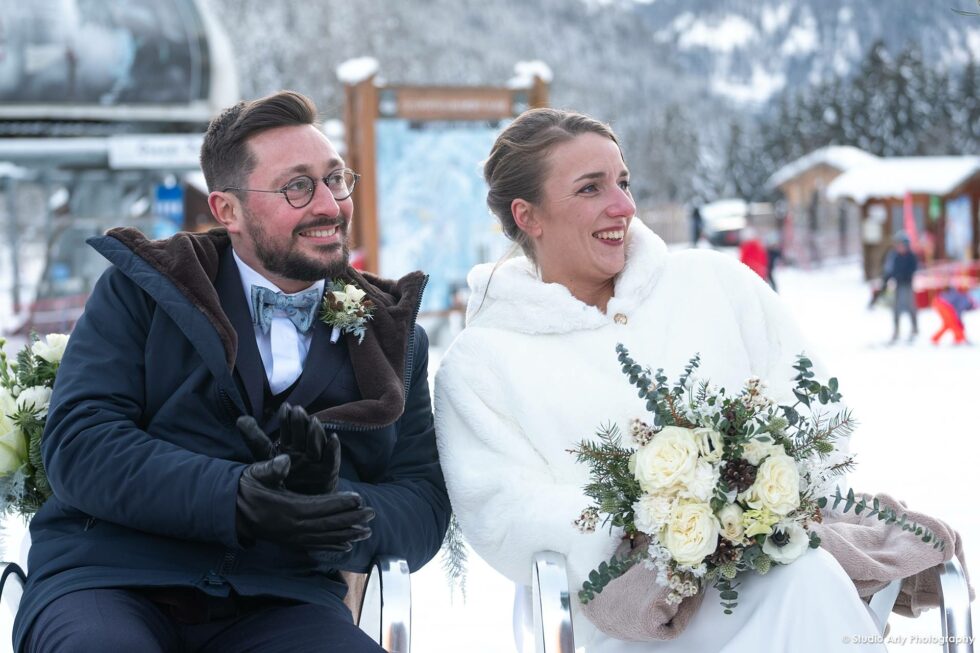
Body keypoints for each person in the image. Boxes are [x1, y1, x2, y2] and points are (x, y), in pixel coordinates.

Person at [434, 109, 886, 652]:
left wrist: (758, 491)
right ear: (528, 215)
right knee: (808, 585)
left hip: (777, 563)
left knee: (806, 579)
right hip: (625, 617)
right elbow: (503, 515)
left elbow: (809, 411)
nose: (623, 206)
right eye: (590, 188)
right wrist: (660, 522)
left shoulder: (717, 285)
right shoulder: (484, 361)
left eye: (623, 182)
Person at [15, 90, 450, 652]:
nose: (329, 204)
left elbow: (421, 503)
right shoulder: (143, 289)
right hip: (111, 578)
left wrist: (324, 507)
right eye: (297, 186)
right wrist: (234, 497)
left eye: (335, 179)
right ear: (227, 211)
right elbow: (82, 446)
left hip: (282, 602)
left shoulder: (392, 335)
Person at [880, 232, 919, 343]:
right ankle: (896, 330)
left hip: (907, 284)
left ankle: (914, 329)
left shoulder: (911, 256)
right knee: (896, 309)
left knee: (911, 307)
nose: (900, 247)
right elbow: (889, 270)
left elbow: (913, 270)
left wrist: (904, 276)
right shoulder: (894, 256)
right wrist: (885, 282)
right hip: (897, 285)